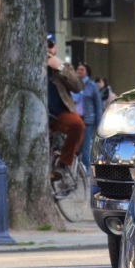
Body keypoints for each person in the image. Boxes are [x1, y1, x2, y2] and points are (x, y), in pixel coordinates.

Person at [46, 34, 84, 181]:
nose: (47, 49)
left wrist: (59, 67)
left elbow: (77, 86)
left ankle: (63, 163)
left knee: (78, 125)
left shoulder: (63, 66)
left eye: (50, 45)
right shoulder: (32, 66)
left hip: (58, 114)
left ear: (54, 48)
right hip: (38, 116)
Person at [74, 62, 102, 171]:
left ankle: (86, 168)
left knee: (85, 145)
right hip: (75, 118)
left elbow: (98, 104)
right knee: (76, 144)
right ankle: (75, 168)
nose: (79, 71)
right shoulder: (73, 84)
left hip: (88, 120)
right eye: (78, 69)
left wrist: (98, 122)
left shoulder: (92, 86)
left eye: (82, 70)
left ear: (87, 72)